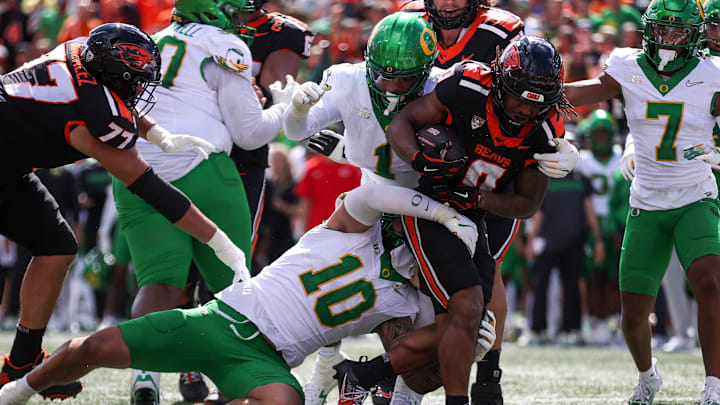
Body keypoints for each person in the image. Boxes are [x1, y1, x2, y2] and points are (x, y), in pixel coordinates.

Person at [0, 183, 484, 405]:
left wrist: (465, 339)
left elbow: (418, 375)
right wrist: (438, 213)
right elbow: (372, 192)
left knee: (283, 403)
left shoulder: (412, 302)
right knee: (97, 348)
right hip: (219, 321)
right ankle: (17, 391)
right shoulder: (350, 231)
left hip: (268, 360)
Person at [0, 21, 251, 400]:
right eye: (136, 80)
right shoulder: (95, 118)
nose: (140, 90)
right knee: (56, 244)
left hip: (8, 164)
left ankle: (22, 361)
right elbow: (152, 189)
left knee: (56, 246)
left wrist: (157, 135)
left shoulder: (78, 51)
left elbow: (108, 99)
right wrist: (218, 241)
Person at [330, 36, 575, 405]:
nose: (525, 111)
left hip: (474, 218)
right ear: (501, 84)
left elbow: (526, 204)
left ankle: (365, 374)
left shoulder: (544, 131)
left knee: (471, 321)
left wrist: (478, 198)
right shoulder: (468, 86)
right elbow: (402, 123)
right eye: (519, 98)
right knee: (468, 306)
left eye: (534, 104)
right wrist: (419, 161)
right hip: (430, 204)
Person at [111, 1, 293, 403]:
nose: (242, 13)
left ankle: (146, 375)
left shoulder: (151, 40)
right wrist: (288, 107)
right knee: (234, 281)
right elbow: (249, 134)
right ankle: (243, 380)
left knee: (159, 282)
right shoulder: (223, 44)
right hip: (200, 164)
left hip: (135, 168)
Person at [564, 0, 720, 403]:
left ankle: (714, 387)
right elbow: (591, 91)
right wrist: (540, 93)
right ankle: (648, 376)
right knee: (633, 314)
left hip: (694, 196)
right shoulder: (629, 66)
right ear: (647, 30)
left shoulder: (710, 74)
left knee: (709, 283)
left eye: (678, 31)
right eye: (662, 29)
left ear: (694, 37)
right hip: (647, 202)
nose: (668, 39)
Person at [398, 0, 527, 400]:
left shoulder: (502, 30)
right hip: (428, 166)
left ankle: (489, 371)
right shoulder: (408, 19)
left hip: (491, 168)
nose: (450, 3)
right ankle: (403, 369)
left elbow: (531, 91)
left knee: (490, 269)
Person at [229, 0, 314, 258]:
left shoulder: (282, 31)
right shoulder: (203, 25)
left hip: (244, 149)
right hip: (199, 143)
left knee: (235, 252)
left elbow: (276, 90)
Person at [574, 109, 620, 346]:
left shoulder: (621, 157)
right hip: (591, 222)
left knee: (619, 276)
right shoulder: (582, 160)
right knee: (594, 276)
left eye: (605, 133)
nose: (601, 138)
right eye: (597, 133)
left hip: (618, 221)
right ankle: (597, 321)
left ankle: (619, 321)